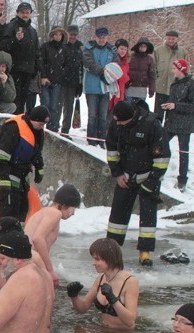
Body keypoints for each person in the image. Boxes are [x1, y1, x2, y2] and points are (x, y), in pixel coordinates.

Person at [104, 100, 170, 266]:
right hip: (125, 176)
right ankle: (112, 250)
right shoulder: (116, 123)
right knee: (117, 216)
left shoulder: (151, 125)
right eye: (116, 121)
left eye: (121, 122)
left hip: (148, 176)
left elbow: (162, 158)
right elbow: (112, 150)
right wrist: (117, 174)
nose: (118, 124)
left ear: (132, 117)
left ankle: (145, 252)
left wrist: (152, 180)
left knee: (148, 216)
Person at [0, 105, 49, 222]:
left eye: (44, 125)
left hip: (22, 174)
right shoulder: (13, 128)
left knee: (22, 207)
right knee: (9, 208)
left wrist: (39, 168)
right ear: (34, 119)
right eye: (41, 124)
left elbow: (36, 152)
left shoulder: (37, 131)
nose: (42, 127)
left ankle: (18, 233)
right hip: (8, 171)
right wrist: (4, 177)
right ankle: (5, 236)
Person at [66, 238, 139, 329]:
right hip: (104, 330)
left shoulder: (130, 281)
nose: (93, 263)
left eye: (97, 259)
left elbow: (130, 321)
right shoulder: (101, 278)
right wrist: (74, 297)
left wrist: (113, 299)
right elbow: (83, 308)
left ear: (109, 259)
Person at [24, 183, 81, 288]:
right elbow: (37, 239)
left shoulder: (44, 212)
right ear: (64, 205)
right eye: (73, 209)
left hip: (26, 260)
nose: (73, 213)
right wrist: (49, 270)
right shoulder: (55, 214)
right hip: (31, 261)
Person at [0, 2, 41, 114]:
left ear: (30, 14)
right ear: (17, 13)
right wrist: (15, 40)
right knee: (14, 99)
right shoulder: (11, 26)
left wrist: (36, 68)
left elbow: (37, 51)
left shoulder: (32, 31)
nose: (25, 15)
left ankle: (20, 121)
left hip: (28, 71)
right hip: (15, 69)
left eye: (27, 13)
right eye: (22, 12)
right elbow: (3, 46)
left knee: (24, 100)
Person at [82, 27, 118, 147]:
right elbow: (88, 63)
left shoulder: (112, 50)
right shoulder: (88, 48)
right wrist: (102, 72)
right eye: (99, 37)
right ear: (95, 37)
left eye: (104, 37)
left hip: (106, 87)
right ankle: (91, 139)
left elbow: (116, 64)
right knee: (92, 115)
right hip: (91, 87)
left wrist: (109, 75)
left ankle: (102, 139)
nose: (102, 40)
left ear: (107, 37)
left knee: (103, 116)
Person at [162, 59, 194, 192]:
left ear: (181, 70)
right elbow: (174, 101)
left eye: (175, 68)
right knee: (161, 145)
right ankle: (159, 170)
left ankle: (182, 179)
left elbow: (192, 106)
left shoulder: (190, 84)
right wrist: (168, 105)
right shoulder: (174, 84)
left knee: (183, 152)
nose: (172, 70)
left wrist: (176, 105)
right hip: (171, 122)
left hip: (184, 124)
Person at [154, 30, 188, 123]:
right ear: (166, 38)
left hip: (176, 89)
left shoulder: (182, 51)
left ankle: (169, 133)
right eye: (169, 38)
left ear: (177, 39)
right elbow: (153, 68)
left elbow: (186, 70)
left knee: (172, 115)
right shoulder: (158, 50)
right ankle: (157, 133)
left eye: (173, 39)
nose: (171, 40)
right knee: (158, 115)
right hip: (161, 88)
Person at [39, 27, 68, 133]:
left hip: (57, 81)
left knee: (54, 106)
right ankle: (41, 126)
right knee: (45, 103)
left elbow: (65, 64)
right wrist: (43, 76)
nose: (58, 37)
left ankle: (52, 128)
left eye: (60, 35)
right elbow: (41, 62)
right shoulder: (45, 47)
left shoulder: (64, 49)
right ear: (52, 35)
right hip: (45, 79)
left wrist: (62, 76)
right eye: (55, 34)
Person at [59, 24, 83, 136]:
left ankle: (65, 131)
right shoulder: (62, 47)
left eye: (75, 35)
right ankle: (53, 129)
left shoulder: (79, 50)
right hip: (61, 82)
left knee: (68, 109)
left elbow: (80, 69)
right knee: (57, 108)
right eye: (71, 34)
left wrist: (80, 84)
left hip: (73, 84)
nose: (73, 37)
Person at [126, 37, 156, 103]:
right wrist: (126, 82)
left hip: (142, 88)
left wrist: (152, 88)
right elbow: (126, 71)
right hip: (130, 87)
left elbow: (152, 75)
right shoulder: (131, 57)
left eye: (145, 46)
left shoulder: (149, 59)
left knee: (140, 110)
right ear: (138, 46)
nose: (143, 47)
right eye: (141, 46)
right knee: (128, 110)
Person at [108, 39, 130, 114]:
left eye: (125, 49)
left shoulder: (126, 62)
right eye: (121, 48)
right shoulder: (110, 59)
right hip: (110, 91)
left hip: (120, 93)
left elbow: (125, 77)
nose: (123, 51)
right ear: (116, 48)